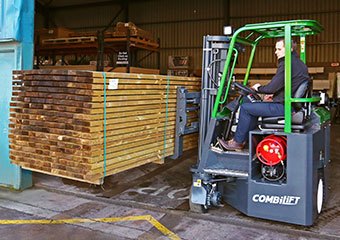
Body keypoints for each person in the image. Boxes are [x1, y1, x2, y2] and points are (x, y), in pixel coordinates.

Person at [218, 38, 310, 151]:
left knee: (245, 108)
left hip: (284, 108)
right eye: (276, 49)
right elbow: (287, 85)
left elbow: (272, 87)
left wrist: (258, 88)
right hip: (288, 105)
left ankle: (237, 142)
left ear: (290, 49)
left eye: (279, 49)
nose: (276, 52)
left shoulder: (287, 63)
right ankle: (243, 140)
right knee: (251, 105)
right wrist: (274, 95)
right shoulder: (298, 63)